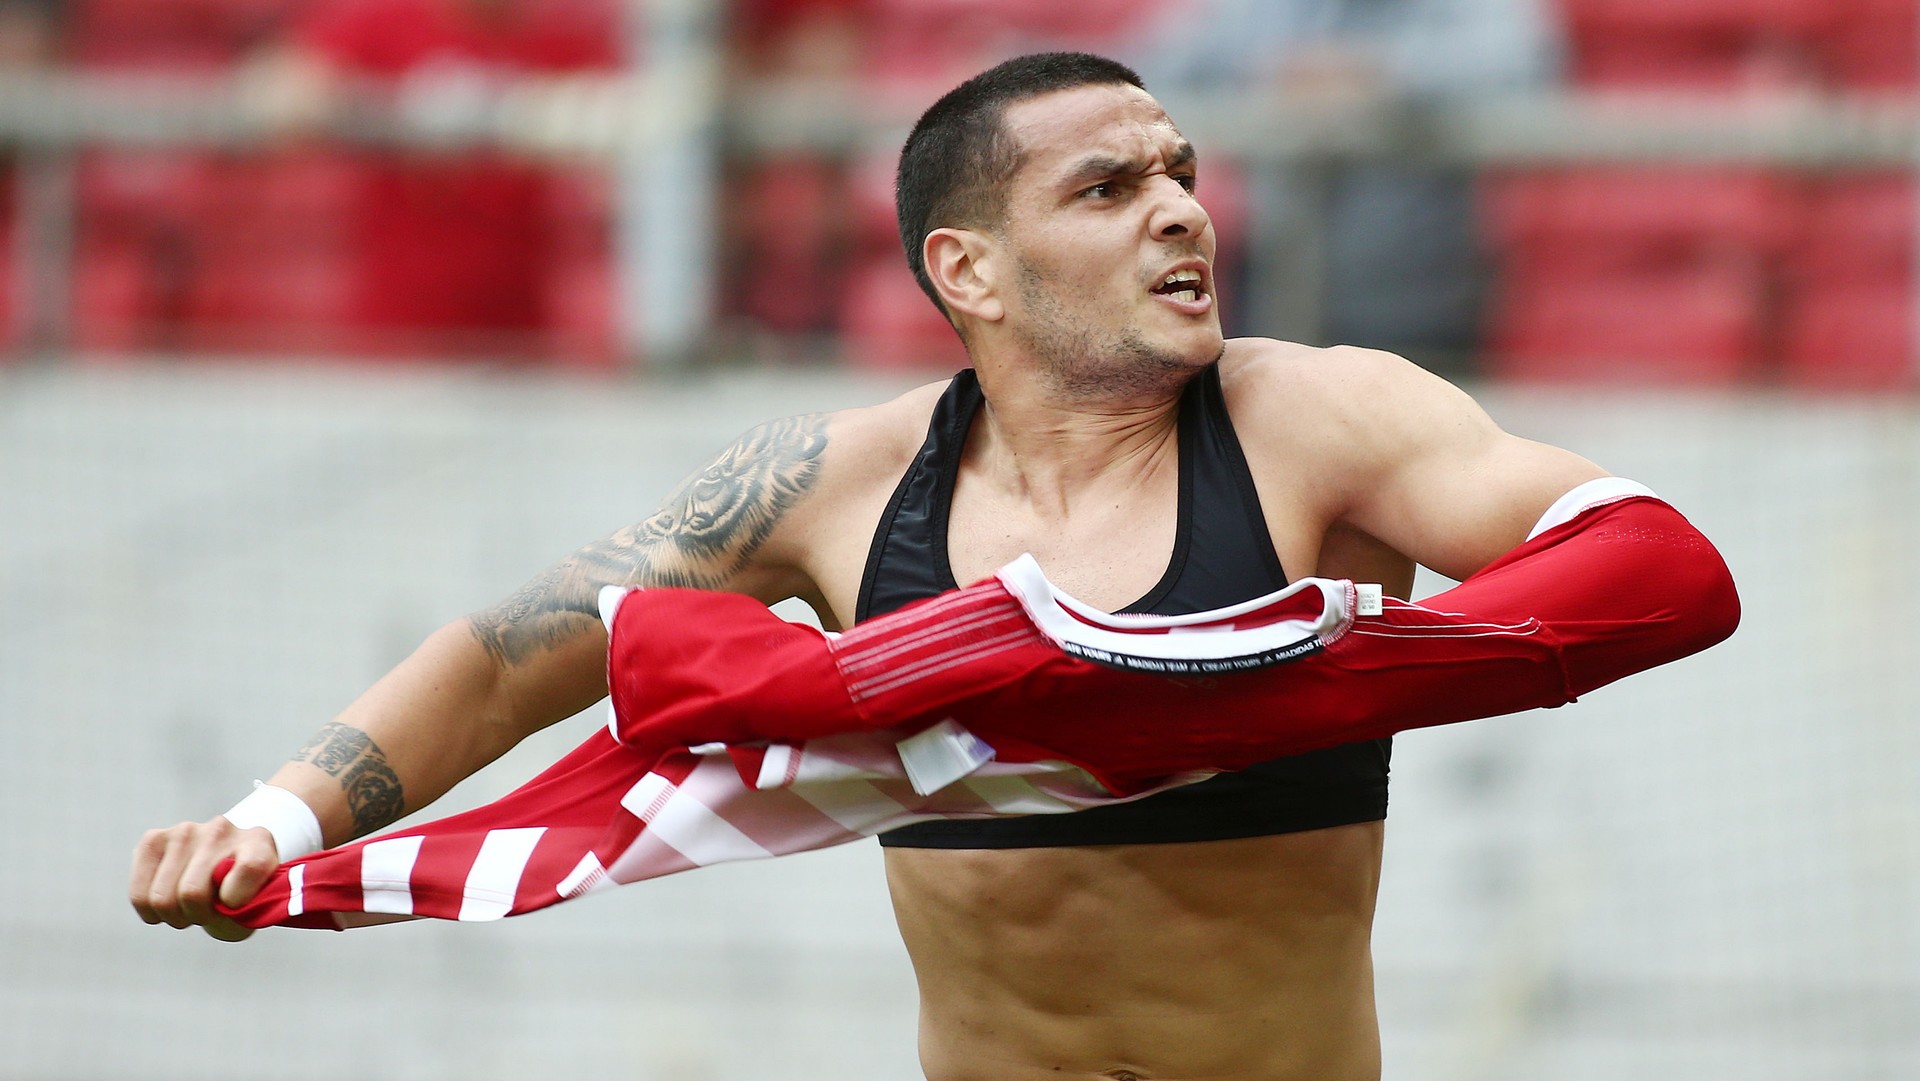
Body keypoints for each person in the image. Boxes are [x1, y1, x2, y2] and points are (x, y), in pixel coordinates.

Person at [132, 53, 1698, 1081]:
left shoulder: (1317, 420)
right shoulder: (841, 483)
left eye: (1179, 172)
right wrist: (272, 823)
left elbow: (1659, 565)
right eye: (1108, 189)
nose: (1181, 212)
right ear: (969, 270)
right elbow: (511, 653)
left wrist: (1256, 681)